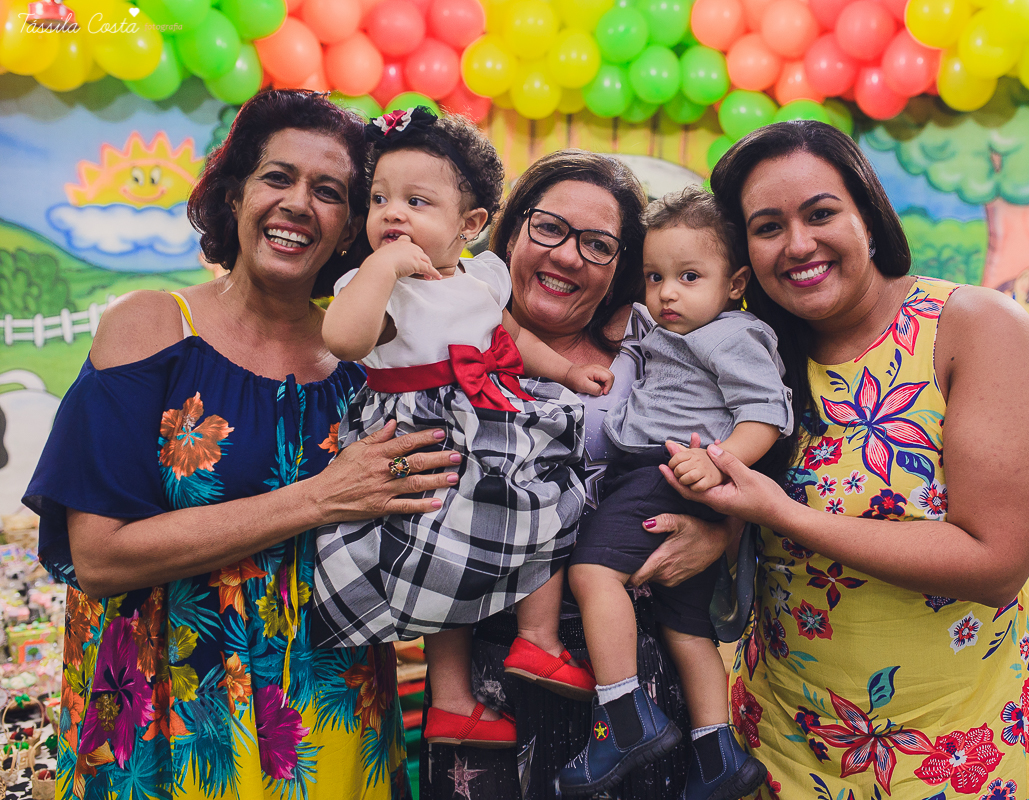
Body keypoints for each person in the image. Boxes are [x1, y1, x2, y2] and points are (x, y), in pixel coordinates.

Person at [23, 90, 459, 799]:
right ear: (234, 196)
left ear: (352, 227)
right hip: (168, 709)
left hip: (330, 709)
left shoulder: (373, 361)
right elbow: (99, 558)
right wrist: (320, 498)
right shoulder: (152, 328)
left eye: (329, 192)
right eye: (277, 177)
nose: (299, 204)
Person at [658, 120, 1029, 800]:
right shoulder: (749, 356)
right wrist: (718, 529)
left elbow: (997, 562)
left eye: (821, 214)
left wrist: (782, 515)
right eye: (768, 227)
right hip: (784, 738)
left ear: (870, 219)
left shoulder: (973, 328)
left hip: (963, 745)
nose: (798, 244)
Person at [421, 151, 744, 800]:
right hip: (483, 671)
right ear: (511, 229)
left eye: (597, 245)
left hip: (627, 671)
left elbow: (739, 458)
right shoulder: (442, 333)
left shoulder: (653, 349)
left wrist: (722, 534)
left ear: (623, 264)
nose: (567, 256)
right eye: (548, 228)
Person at [312, 107, 607, 747]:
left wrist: (566, 371)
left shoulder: (482, 275)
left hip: (490, 423)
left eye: (416, 201)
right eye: (380, 199)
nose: (392, 214)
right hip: (424, 441)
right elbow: (345, 339)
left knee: (549, 503)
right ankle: (450, 700)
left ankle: (536, 638)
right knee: (443, 561)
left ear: (470, 225)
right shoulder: (378, 286)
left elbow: (509, 337)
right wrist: (381, 270)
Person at [560, 187, 788, 799]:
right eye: (655, 277)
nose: (667, 293)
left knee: (592, 575)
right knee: (686, 628)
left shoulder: (731, 335)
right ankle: (717, 754)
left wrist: (717, 462)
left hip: (662, 473)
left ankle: (624, 716)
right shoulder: (669, 327)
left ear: (735, 283)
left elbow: (766, 414)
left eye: (689, 277)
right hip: (676, 478)